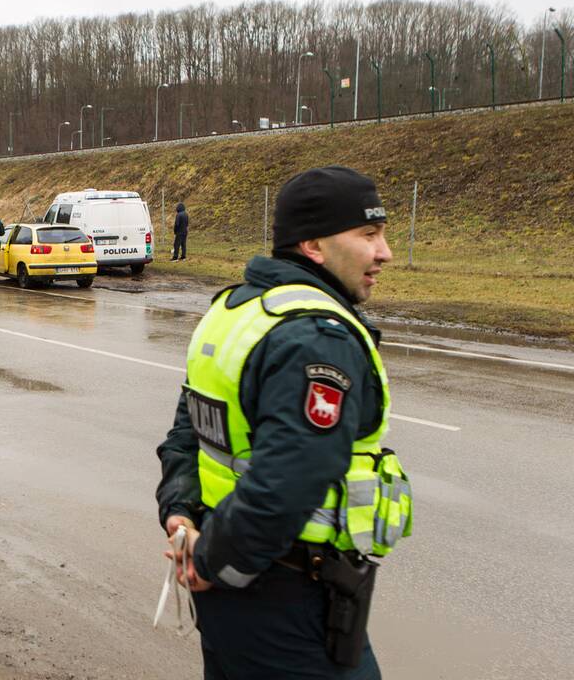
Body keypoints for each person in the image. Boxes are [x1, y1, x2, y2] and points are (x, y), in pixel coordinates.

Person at [156, 166, 413, 679]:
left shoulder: (238, 309)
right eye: (369, 234)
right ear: (314, 245)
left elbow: (191, 428)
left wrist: (180, 510)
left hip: (234, 586)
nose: (384, 252)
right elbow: (289, 480)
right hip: (291, 599)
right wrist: (212, 564)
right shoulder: (315, 336)